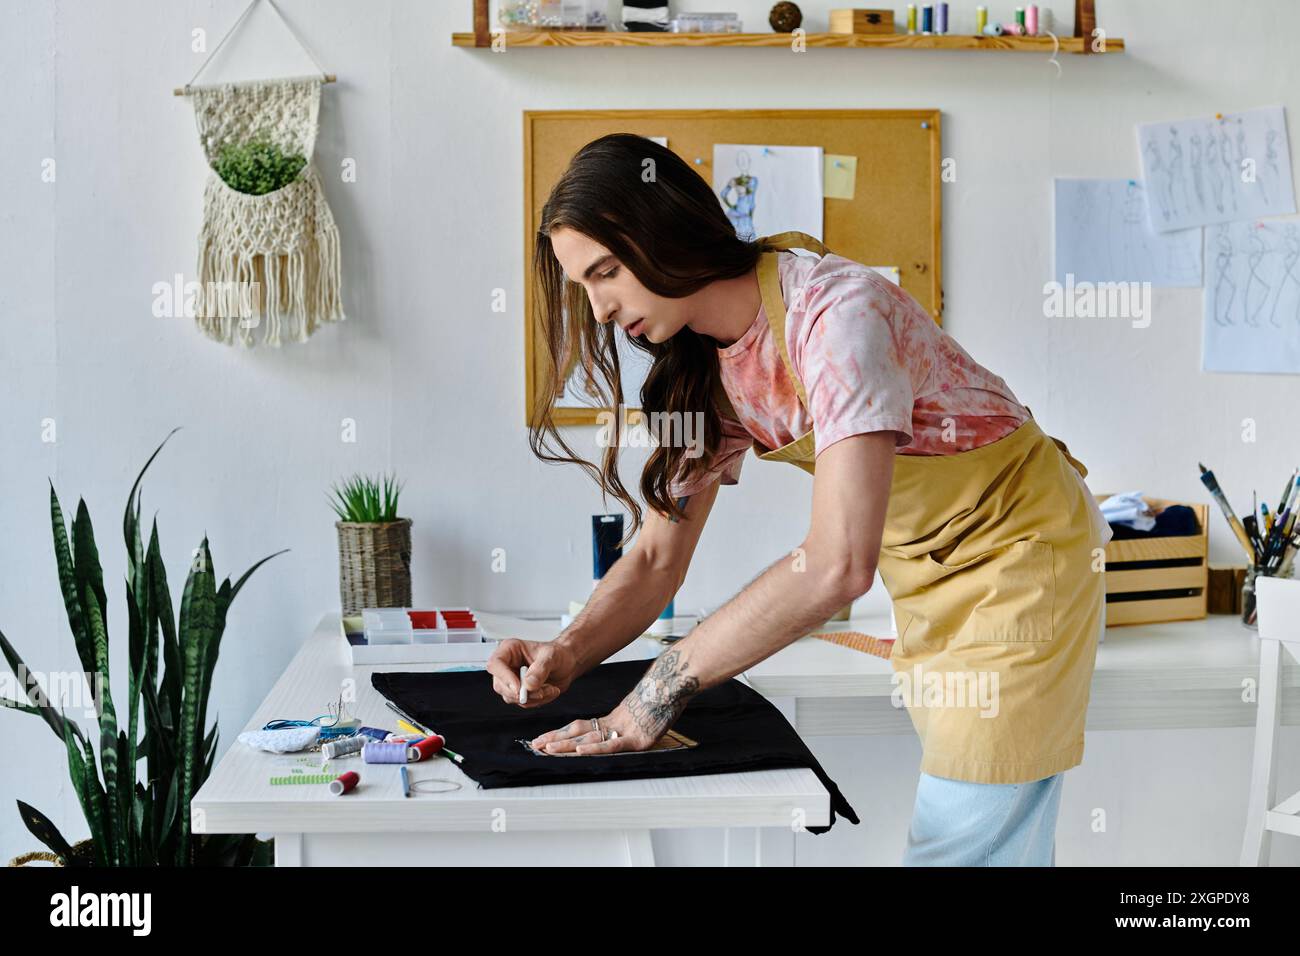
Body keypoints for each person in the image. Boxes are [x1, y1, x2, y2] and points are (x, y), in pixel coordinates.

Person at [485, 133, 1112, 865]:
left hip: (1019, 555)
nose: (596, 310)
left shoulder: (835, 316)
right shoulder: (700, 365)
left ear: (663, 232)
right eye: (582, 286)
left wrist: (658, 690)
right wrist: (567, 652)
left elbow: (837, 565)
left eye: (607, 272)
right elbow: (657, 557)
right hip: (927, 570)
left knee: (962, 846)